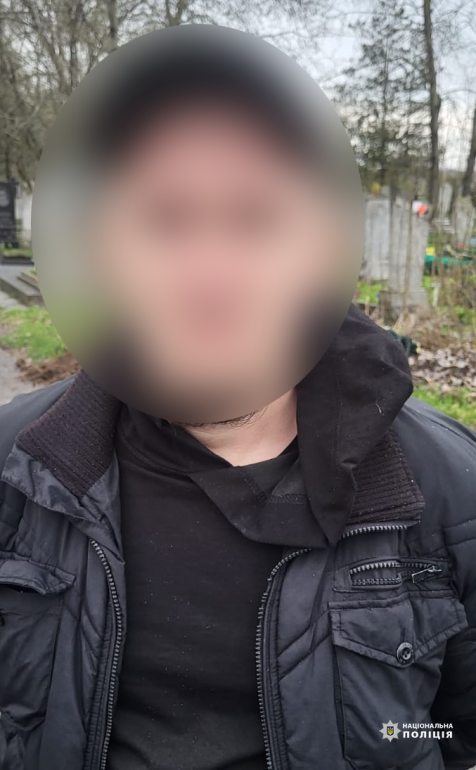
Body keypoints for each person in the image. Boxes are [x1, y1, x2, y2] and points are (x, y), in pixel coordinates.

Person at [0, 27, 475, 770]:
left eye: (257, 220)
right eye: (163, 220)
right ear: (104, 253)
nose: (210, 278)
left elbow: (454, 735)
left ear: (317, 251)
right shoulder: (16, 470)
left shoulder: (449, 489)